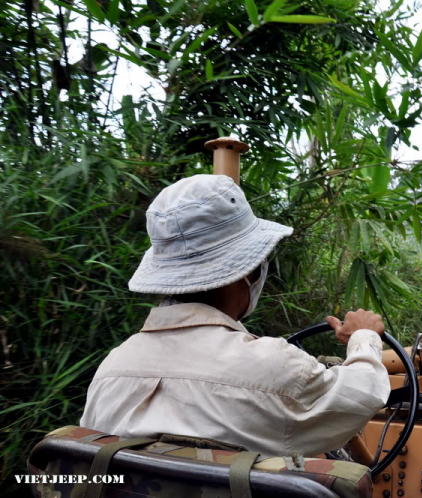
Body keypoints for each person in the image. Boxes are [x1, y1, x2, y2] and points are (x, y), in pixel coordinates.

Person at [80, 174, 391, 457]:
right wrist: (364, 336)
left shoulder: (113, 368)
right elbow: (362, 394)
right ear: (251, 271)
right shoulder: (275, 366)